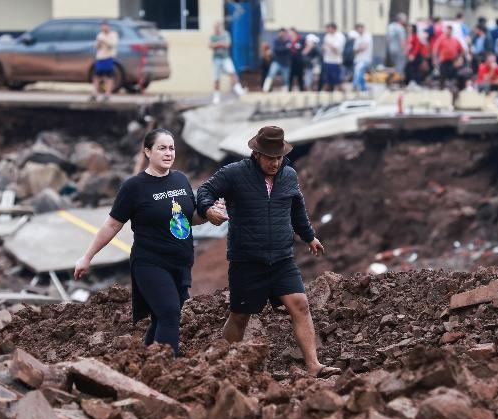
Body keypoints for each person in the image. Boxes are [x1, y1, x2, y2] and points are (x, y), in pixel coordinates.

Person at [196, 126, 341, 379]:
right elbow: (204, 192)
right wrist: (209, 210)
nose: (275, 163)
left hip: (282, 258)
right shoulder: (234, 174)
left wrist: (309, 236)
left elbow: (297, 210)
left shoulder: (289, 176)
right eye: (269, 158)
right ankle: (220, 364)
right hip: (247, 260)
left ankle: (314, 365)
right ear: (256, 154)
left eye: (279, 157)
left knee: (301, 305)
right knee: (240, 316)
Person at [74, 128, 207, 357]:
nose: (168, 153)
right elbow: (112, 225)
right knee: (169, 313)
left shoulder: (181, 179)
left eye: (171, 148)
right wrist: (87, 257)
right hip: (151, 262)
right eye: (162, 148)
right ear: (147, 151)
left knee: (160, 317)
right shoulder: (134, 187)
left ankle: (145, 364)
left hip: (181, 262)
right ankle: (167, 369)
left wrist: (210, 215)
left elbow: (189, 218)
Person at [210, 22, 244, 104]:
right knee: (216, 78)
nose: (217, 29)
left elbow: (227, 44)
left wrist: (217, 44)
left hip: (225, 58)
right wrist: (220, 43)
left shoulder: (225, 34)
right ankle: (216, 96)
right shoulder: (212, 36)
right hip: (216, 59)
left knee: (232, 72)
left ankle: (238, 89)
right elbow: (210, 45)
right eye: (215, 27)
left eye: (218, 27)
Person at [91, 20, 119, 102]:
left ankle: (107, 94)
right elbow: (96, 46)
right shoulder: (100, 35)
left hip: (108, 58)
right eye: (102, 26)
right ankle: (95, 93)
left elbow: (113, 44)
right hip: (100, 58)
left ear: (108, 26)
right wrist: (98, 43)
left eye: (105, 26)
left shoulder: (113, 34)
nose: (104, 28)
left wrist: (104, 41)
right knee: (96, 76)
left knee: (109, 76)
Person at [321, 23, 346, 92]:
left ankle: (338, 90)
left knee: (336, 79)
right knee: (326, 79)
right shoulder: (327, 36)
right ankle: (326, 91)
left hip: (336, 61)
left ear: (333, 28)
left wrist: (329, 45)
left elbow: (337, 50)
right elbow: (324, 48)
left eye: (328, 28)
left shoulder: (340, 36)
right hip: (327, 60)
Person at [350, 23, 372, 92]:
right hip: (358, 59)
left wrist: (359, 48)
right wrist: (359, 48)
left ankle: (355, 85)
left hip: (365, 58)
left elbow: (364, 47)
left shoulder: (367, 36)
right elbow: (354, 50)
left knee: (358, 71)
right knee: (361, 73)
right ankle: (363, 88)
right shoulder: (358, 37)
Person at [387, 13, 408, 78]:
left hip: (391, 49)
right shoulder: (400, 28)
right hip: (399, 50)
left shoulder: (390, 26)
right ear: (401, 20)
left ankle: (393, 79)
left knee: (395, 65)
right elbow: (402, 41)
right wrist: (404, 50)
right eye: (405, 19)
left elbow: (388, 39)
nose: (406, 20)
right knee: (400, 66)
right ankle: (398, 80)